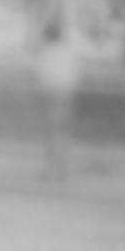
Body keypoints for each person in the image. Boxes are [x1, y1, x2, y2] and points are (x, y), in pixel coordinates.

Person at [37, 19, 80, 181]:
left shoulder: (47, 52)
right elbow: (75, 73)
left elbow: (44, 75)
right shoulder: (67, 51)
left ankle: (51, 169)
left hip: (53, 93)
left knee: (52, 133)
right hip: (67, 93)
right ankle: (63, 169)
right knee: (64, 132)